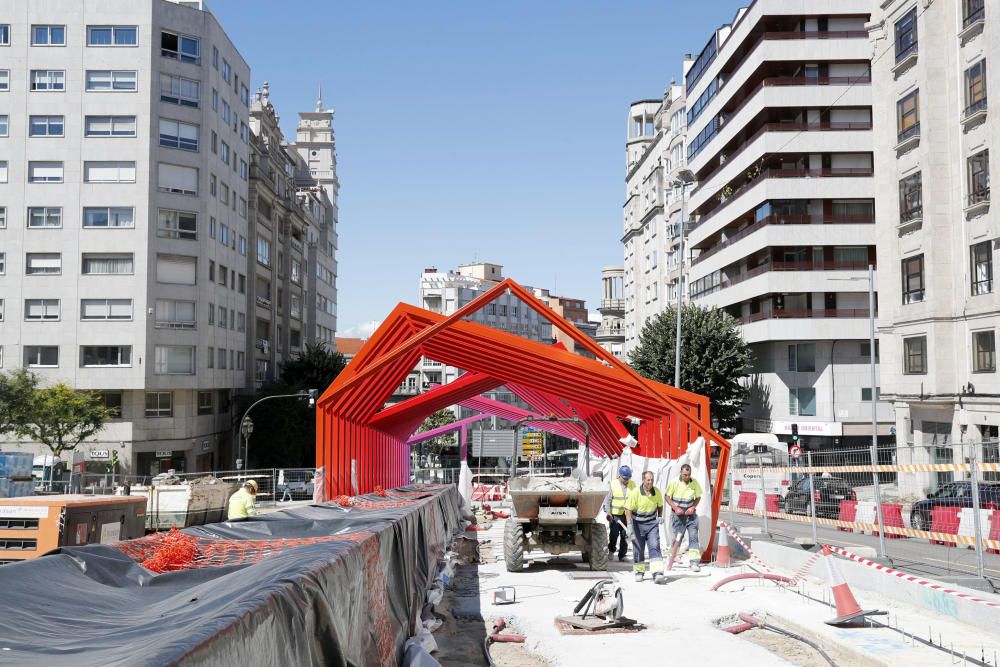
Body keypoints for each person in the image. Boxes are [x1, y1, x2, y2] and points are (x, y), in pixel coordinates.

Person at [624, 470, 665, 582]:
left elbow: (660, 505)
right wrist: (629, 525)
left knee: (654, 545)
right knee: (638, 548)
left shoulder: (656, 492)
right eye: (648, 480)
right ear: (643, 480)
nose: (650, 482)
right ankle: (639, 571)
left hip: (652, 524)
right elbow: (628, 509)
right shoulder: (635, 493)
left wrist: (659, 516)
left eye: (652, 480)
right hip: (638, 525)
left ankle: (657, 572)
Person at [665, 463, 703, 572]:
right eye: (685, 474)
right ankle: (672, 558)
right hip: (678, 515)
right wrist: (675, 508)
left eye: (689, 474)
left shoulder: (694, 482)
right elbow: (667, 496)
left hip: (691, 516)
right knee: (677, 538)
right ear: (681, 473)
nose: (687, 477)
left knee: (693, 538)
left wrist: (693, 507)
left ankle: (694, 563)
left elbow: (698, 497)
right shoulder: (674, 482)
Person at [602, 465, 636, 561]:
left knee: (625, 534)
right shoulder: (613, 484)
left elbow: (635, 499)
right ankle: (611, 550)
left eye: (628, 478)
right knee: (614, 534)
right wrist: (608, 513)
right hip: (615, 515)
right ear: (620, 476)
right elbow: (607, 501)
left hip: (627, 514)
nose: (626, 480)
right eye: (625, 478)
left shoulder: (632, 484)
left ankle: (622, 555)